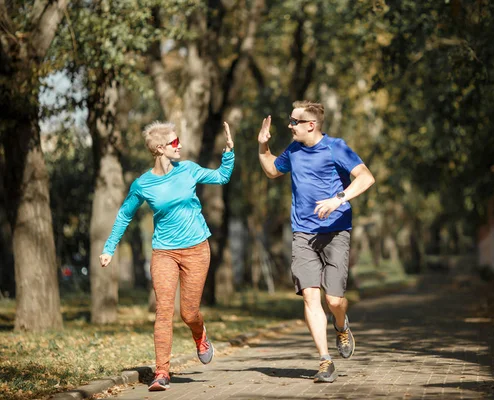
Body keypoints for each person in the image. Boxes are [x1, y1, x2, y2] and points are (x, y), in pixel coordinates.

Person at [99, 121, 234, 391]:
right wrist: (109, 247)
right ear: (160, 148)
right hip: (164, 252)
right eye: (175, 142)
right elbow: (125, 214)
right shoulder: (143, 184)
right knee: (163, 310)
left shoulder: (189, 170)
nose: (180, 145)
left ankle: (200, 334)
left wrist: (228, 152)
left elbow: (221, 177)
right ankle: (162, 372)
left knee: (189, 312)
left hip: (197, 249)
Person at [257, 101, 375, 383]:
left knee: (334, 300)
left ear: (311, 125)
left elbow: (366, 177)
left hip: (336, 231)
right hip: (303, 234)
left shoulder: (336, 147)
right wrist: (263, 146)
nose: (289, 125)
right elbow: (273, 170)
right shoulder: (294, 150)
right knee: (311, 296)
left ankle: (341, 324)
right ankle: (324, 360)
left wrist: (338, 200)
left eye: (294, 121)